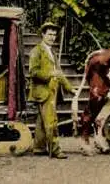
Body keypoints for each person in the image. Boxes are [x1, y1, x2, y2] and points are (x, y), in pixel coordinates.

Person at [28, 22, 76, 159]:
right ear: (43, 35)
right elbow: (33, 72)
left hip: (52, 90)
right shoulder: (36, 51)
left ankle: (38, 147)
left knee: (41, 122)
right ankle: (55, 150)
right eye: (49, 34)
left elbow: (59, 73)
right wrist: (50, 74)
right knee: (51, 121)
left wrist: (70, 88)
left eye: (54, 35)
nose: (52, 37)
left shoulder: (52, 52)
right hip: (43, 92)